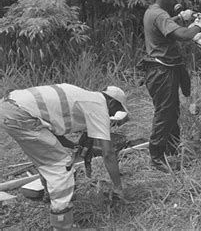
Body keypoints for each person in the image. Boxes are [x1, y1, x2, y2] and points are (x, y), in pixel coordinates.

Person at [0, 84, 128, 230]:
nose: (112, 114)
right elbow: (108, 153)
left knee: (47, 159)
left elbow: (49, 129)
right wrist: (118, 187)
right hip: (21, 114)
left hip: (9, 106)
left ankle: (50, 194)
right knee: (61, 166)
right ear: (111, 102)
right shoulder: (98, 106)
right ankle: (62, 223)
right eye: (115, 110)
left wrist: (71, 145)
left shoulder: (83, 96)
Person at [140, 0, 201, 170]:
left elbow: (168, 25)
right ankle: (156, 157)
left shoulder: (154, 11)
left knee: (173, 111)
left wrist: (180, 17)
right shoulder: (159, 14)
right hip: (160, 71)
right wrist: (200, 25)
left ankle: (172, 149)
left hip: (164, 68)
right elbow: (183, 36)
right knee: (165, 113)